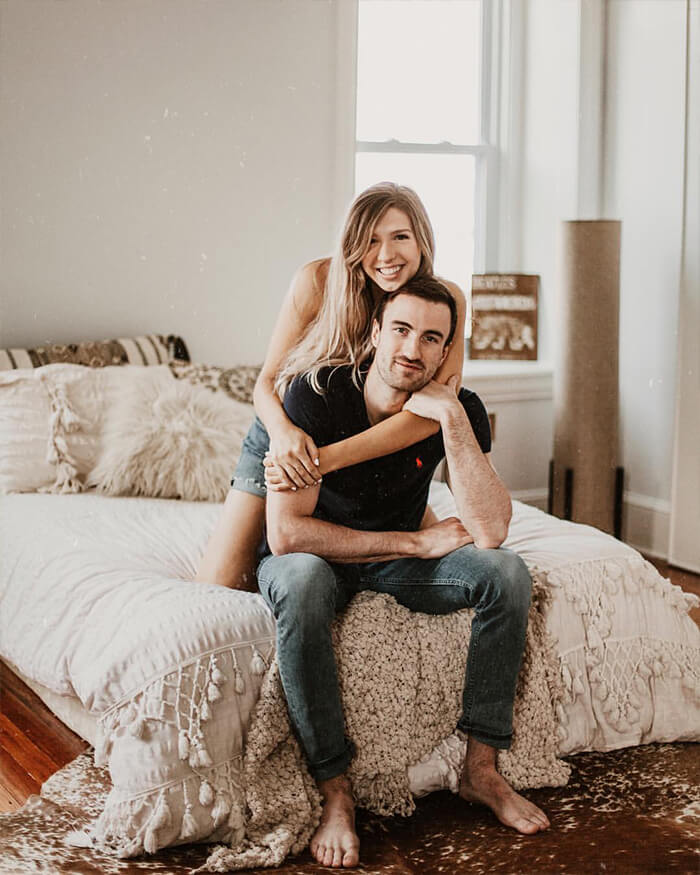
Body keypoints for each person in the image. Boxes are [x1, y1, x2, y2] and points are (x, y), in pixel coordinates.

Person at [260, 277, 550, 869]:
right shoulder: (315, 395)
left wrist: (450, 413)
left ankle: (481, 770)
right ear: (374, 332)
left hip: (394, 567)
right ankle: (335, 791)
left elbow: (491, 530)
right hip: (322, 556)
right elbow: (287, 535)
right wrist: (414, 542)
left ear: (446, 353)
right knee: (302, 580)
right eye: (400, 329)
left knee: (508, 575)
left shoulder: (455, 406)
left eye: (430, 338)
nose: (411, 349)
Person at [195, 182, 466, 591]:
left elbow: (429, 417)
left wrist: (323, 462)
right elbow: (265, 383)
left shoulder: (446, 302)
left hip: (374, 452)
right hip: (293, 438)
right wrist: (286, 438)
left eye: (400, 237)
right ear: (353, 244)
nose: (386, 255)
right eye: (371, 240)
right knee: (220, 587)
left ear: (422, 241)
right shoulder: (318, 282)